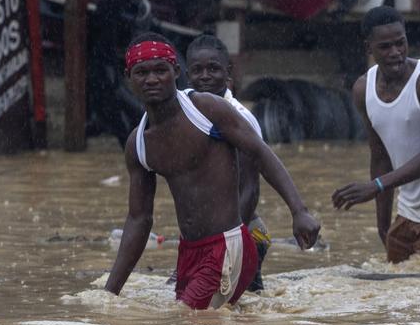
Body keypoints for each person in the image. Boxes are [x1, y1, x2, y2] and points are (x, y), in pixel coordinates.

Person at [105, 33, 321, 309]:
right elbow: (139, 219)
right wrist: (109, 293)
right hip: (189, 252)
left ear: (176, 72)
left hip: (229, 243)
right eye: (142, 72)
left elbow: (260, 154)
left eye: (161, 70)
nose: (152, 79)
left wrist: (299, 211)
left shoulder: (208, 110)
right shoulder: (138, 143)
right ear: (129, 77)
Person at [331, 6, 420, 269]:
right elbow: (380, 156)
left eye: (400, 43)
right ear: (369, 48)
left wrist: (377, 186)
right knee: (399, 295)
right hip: (407, 208)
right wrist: (383, 225)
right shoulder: (363, 89)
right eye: (385, 47)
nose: (395, 53)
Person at [185, 34, 272, 292]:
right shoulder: (186, 115)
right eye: (197, 70)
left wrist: (228, 243)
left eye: (213, 69)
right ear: (187, 74)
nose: (205, 76)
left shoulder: (241, 120)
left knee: (240, 310)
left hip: (244, 232)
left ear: (228, 72)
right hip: (208, 237)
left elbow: (250, 190)